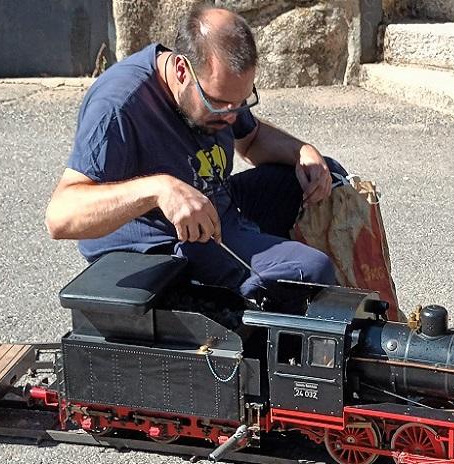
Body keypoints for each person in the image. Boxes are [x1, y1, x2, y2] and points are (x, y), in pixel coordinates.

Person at [45, 4, 339, 310]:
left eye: (241, 102)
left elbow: (252, 140)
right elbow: (60, 217)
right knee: (309, 271)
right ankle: (247, 312)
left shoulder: (218, 94)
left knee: (325, 174)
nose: (231, 116)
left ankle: (272, 280)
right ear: (182, 70)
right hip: (163, 242)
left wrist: (301, 152)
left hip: (216, 205)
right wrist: (158, 190)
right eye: (220, 103)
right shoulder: (118, 105)